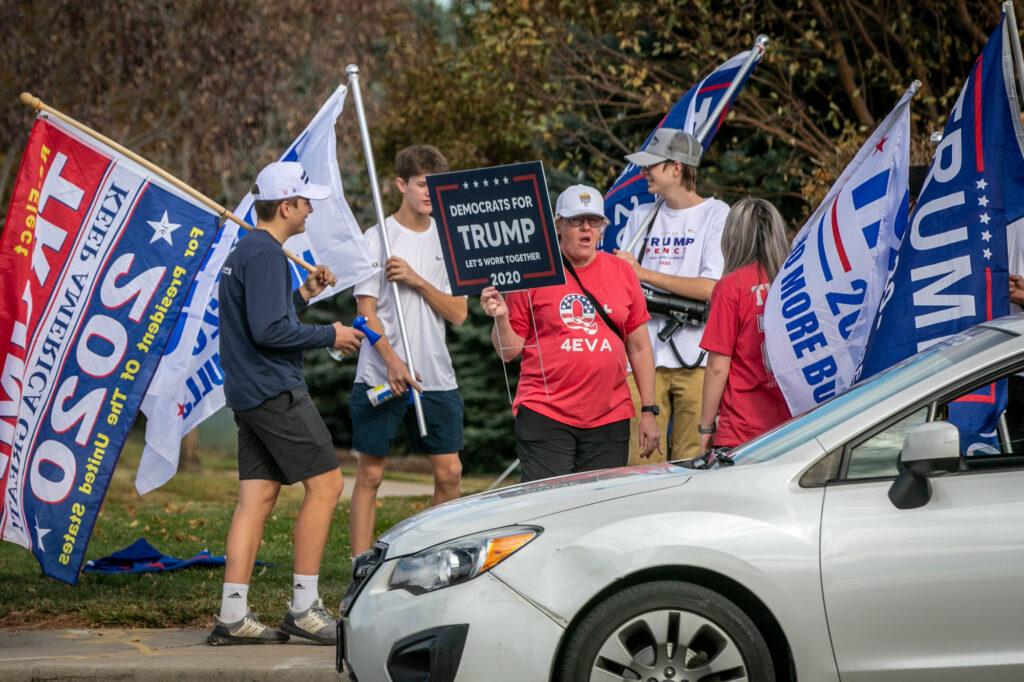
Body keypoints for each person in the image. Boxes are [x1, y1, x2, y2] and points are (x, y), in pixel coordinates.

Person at [209, 161, 364, 646]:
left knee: (257, 498)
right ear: (285, 206)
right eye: (305, 202)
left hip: (249, 393)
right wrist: (331, 333)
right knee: (328, 485)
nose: (311, 209)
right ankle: (305, 608)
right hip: (275, 392)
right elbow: (270, 331)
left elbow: (268, 315)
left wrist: (305, 294)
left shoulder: (253, 252)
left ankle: (232, 615)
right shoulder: (266, 255)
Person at [481, 184, 660, 482]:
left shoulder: (623, 272)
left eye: (594, 221)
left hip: (610, 415)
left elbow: (640, 347)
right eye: (577, 221)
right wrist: (501, 318)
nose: (586, 228)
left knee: (598, 508)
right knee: (548, 505)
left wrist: (649, 411)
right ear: (558, 226)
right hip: (545, 412)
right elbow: (509, 351)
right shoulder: (533, 273)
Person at [348, 145, 467, 558]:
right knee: (372, 473)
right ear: (401, 184)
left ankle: (432, 559)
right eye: (421, 184)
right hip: (382, 376)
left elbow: (459, 314)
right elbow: (365, 315)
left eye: (434, 185)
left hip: (435, 374)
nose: (428, 193)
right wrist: (392, 362)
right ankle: (360, 566)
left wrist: (417, 279)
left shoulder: (448, 240)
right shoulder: (376, 239)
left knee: (449, 472)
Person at [615, 128, 729, 463]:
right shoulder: (641, 216)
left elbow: (711, 288)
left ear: (676, 168)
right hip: (643, 358)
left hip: (698, 358)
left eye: (651, 165)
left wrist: (645, 274)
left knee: (691, 458)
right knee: (640, 461)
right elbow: (624, 281)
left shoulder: (716, 213)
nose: (643, 172)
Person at [697, 198, 792, 452]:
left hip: (742, 428)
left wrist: (706, 427)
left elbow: (717, 366)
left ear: (734, 237)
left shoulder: (731, 287)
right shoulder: (793, 281)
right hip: (794, 425)